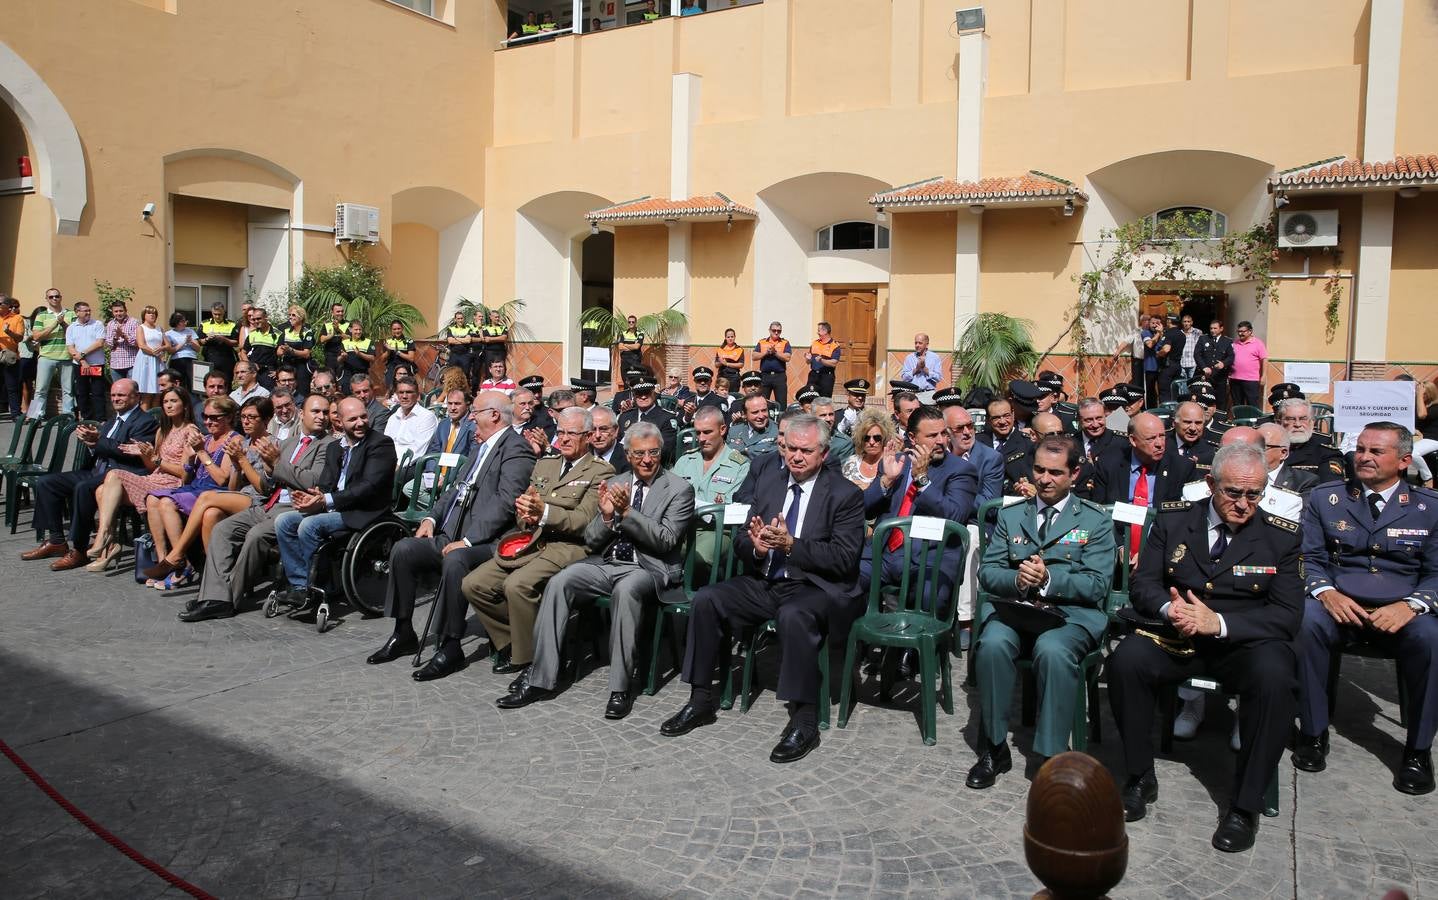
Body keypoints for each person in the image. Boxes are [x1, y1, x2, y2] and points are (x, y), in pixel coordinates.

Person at [1107, 442, 1302, 853]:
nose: (1244, 504)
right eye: (1233, 492)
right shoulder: (1176, 521)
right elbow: (1144, 585)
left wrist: (1219, 623)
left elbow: (1286, 615)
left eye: (1254, 494)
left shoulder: (1281, 538)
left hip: (1243, 645)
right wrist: (1169, 609)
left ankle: (1244, 806)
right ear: (1211, 483)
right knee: (1127, 661)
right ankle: (1140, 775)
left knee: (1276, 678)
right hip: (1177, 636)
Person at [660, 413, 865, 764]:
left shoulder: (844, 495)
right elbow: (742, 538)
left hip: (815, 586)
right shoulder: (771, 481)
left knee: (794, 615)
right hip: (767, 579)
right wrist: (755, 547)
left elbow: (844, 559)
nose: (796, 457)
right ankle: (700, 700)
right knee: (708, 600)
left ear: (824, 454)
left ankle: (805, 719)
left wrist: (791, 545)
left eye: (806, 451)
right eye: (791, 449)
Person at [502, 422, 696, 717]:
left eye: (654, 453)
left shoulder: (679, 488)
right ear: (628, 456)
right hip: (608, 562)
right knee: (561, 581)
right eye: (640, 454)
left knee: (626, 589)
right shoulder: (618, 482)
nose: (647, 460)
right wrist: (606, 517)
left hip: (649, 568)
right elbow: (591, 540)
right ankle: (541, 677)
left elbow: (666, 540)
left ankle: (620, 687)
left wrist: (628, 513)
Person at [416, 408, 613, 681]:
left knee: (516, 585)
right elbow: (523, 507)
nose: (564, 439)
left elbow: (583, 520)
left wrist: (542, 512)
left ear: (589, 436)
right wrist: (525, 513)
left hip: (569, 547)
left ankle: (531, 661)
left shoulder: (601, 471)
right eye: (561, 432)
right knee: (474, 585)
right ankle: (516, 640)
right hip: (530, 541)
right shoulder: (546, 464)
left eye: (572, 434)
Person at [1294, 422, 1438, 796]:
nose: (1365, 457)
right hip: (1340, 606)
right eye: (1360, 449)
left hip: (1403, 611)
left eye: (1376, 451)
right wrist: (1326, 592)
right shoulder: (1327, 498)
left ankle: (1418, 750)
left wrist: (1413, 605)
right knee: (1306, 622)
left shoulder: (1429, 508)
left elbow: (1437, 573)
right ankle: (1313, 732)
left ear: (1404, 460)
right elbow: (1309, 557)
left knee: (1432, 639)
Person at [968, 435, 1116, 788]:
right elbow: (988, 573)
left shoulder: (1095, 521)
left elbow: (1097, 585)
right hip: (1017, 610)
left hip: (1070, 615)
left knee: (1052, 650)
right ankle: (993, 746)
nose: (1044, 479)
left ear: (1074, 474)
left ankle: (1051, 756)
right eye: (1038, 470)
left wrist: (1050, 579)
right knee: (992, 644)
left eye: (1055, 472)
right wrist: (1018, 580)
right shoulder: (1012, 514)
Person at [367, 392, 537, 666]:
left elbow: (506, 503)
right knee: (404, 549)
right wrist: (430, 519)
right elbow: (454, 489)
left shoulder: (516, 448)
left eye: (476, 412)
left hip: (487, 542)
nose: (471, 417)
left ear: (494, 414)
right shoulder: (480, 447)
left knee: (456, 558)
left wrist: (469, 540)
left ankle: (450, 643)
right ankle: (403, 631)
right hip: (453, 534)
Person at [179, 394, 335, 622]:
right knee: (222, 529)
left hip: (296, 508)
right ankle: (214, 596)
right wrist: (267, 466)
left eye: (325, 412)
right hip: (269, 503)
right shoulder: (288, 443)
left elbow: (312, 480)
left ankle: (224, 599)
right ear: (302, 414)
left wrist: (276, 463)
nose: (321, 417)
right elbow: (265, 485)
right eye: (315, 411)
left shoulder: (328, 445)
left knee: (255, 536)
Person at [270, 397, 397, 606]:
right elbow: (326, 483)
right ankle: (299, 584)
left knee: (309, 525)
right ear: (339, 420)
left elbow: (368, 487)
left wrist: (324, 501)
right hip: (334, 506)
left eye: (363, 417)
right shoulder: (335, 447)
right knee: (283, 521)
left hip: (364, 510)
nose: (360, 423)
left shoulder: (380, 444)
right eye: (353, 419)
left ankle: (319, 586)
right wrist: (313, 496)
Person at [20, 379, 158, 571]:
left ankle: (79, 549)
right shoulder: (112, 421)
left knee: (83, 488)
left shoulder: (145, 421)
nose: (116, 399)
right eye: (113, 395)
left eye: (121, 395)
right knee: (47, 482)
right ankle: (56, 540)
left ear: (136, 397)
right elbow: (105, 447)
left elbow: (128, 451)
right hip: (98, 470)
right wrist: (90, 442)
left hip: (121, 475)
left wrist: (98, 440)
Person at [142, 398, 279, 582]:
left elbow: (263, 488)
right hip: (236, 495)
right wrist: (236, 469)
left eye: (252, 417)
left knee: (204, 498)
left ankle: (176, 555)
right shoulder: (243, 444)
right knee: (210, 513)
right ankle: (214, 575)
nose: (246, 422)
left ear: (266, 419)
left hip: (261, 501)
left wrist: (241, 461)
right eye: (244, 417)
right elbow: (232, 487)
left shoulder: (270, 444)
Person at [860, 405, 978, 614]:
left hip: (931, 557)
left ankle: (918, 646)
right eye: (932, 435)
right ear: (913, 438)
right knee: (845, 584)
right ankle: (856, 642)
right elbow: (865, 509)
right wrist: (886, 481)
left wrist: (923, 480)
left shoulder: (961, 470)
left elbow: (956, 515)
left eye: (943, 433)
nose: (941, 441)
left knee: (928, 599)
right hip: (885, 554)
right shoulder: (897, 462)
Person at [84, 385, 199, 571]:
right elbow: (152, 467)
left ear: (185, 405)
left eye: (173, 401)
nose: (168, 405)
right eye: (165, 402)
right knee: (101, 489)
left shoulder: (190, 431)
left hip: (173, 483)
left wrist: (157, 459)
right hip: (155, 477)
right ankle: (108, 545)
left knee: (112, 475)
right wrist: (145, 454)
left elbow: (185, 474)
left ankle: (104, 537)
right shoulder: (163, 430)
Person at [1087, 412, 1197, 565]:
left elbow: (1185, 521)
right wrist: (1118, 546)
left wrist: (1153, 551)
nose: (1159, 443)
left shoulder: (1181, 467)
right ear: (1133, 440)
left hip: (1161, 548)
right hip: (1116, 546)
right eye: (1151, 438)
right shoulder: (1109, 464)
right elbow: (1099, 512)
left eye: (1162, 436)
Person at [1275, 398, 1346, 482]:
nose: (1297, 424)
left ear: (1312, 422)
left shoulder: (1326, 454)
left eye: (1303, 419)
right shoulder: (1266, 448)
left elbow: (1330, 488)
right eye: (1291, 419)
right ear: (1279, 423)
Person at [28, 289, 73, 418]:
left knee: (68, 390)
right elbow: (36, 336)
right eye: (51, 297)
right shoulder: (41, 315)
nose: (54, 299)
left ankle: (67, 416)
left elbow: (74, 333)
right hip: (46, 356)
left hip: (66, 356)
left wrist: (63, 323)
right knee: (40, 389)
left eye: (57, 296)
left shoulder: (70, 314)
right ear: (47, 299)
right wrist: (55, 324)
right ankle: (34, 416)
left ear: (61, 297)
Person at [64, 301, 107, 420]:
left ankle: (100, 419)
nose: (88, 312)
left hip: (96, 364)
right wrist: (83, 361)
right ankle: (86, 417)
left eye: (89, 310)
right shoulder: (72, 328)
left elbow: (99, 343)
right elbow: (70, 347)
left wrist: (82, 354)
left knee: (98, 392)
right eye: (85, 311)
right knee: (82, 392)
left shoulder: (97, 324)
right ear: (77, 312)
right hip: (80, 365)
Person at [382, 377, 438, 464]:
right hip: (389, 462)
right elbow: (386, 445)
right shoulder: (393, 418)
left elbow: (418, 452)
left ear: (417, 395)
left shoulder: (426, 417)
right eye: (401, 392)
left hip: (411, 465)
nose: (404, 396)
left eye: (409, 392)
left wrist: (397, 466)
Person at [1258, 422, 1318, 496]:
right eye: (1252, 445)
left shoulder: (1303, 482)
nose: (1254, 451)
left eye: (1262, 447)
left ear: (1283, 453)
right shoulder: (1240, 477)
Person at [842, 407, 892, 490]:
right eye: (866, 438)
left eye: (877, 438)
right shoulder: (851, 462)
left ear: (884, 438)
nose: (871, 442)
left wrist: (869, 488)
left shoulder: (891, 464)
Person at [275, 305, 316, 396]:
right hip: (287, 366)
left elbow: (306, 354)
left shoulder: (307, 332)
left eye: (294, 315)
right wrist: (283, 350)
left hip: (301, 367)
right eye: (290, 315)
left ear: (301, 317)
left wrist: (291, 350)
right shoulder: (285, 332)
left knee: (302, 393)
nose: (290, 317)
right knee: (285, 393)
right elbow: (278, 352)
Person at [1195, 319, 1235, 409]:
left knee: (1221, 400)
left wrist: (1224, 364)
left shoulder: (1227, 341)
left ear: (1221, 329)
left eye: (1215, 328)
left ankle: (1220, 419)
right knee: (1204, 398)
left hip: (1220, 376)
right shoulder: (1203, 338)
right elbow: (1197, 354)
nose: (1212, 330)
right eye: (1211, 328)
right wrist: (1204, 367)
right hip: (1206, 375)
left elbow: (1231, 356)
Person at [132, 305, 165, 407]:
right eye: (149, 313)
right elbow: (142, 345)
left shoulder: (159, 328)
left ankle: (155, 418)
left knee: (158, 393)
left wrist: (162, 349)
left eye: (154, 313)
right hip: (146, 360)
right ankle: (144, 420)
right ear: (144, 315)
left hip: (158, 362)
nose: (152, 315)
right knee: (147, 394)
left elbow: (167, 344)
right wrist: (157, 354)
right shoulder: (141, 328)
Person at [1229, 321, 1267, 409]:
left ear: (1250, 331)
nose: (1240, 333)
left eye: (1243, 331)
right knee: (1237, 405)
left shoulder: (1258, 343)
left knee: (1252, 404)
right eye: (1238, 331)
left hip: (1251, 380)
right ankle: (1239, 423)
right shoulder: (1234, 344)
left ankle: (1253, 422)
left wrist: (1264, 376)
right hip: (1235, 379)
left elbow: (1264, 359)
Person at [728, 393, 779, 458]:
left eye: (764, 410)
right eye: (755, 412)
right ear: (744, 414)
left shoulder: (777, 432)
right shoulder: (734, 431)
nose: (761, 416)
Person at [754, 321, 792, 408]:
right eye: (774, 330)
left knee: (781, 402)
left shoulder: (785, 342)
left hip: (779, 376)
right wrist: (766, 353)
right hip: (765, 376)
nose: (776, 332)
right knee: (763, 401)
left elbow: (787, 358)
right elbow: (754, 356)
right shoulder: (762, 342)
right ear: (769, 330)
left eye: (779, 331)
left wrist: (775, 353)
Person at [199, 301, 240, 379]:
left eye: (219, 314)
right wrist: (207, 339)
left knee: (226, 383)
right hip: (209, 358)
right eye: (215, 314)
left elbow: (236, 343)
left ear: (224, 312)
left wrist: (223, 339)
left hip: (227, 358)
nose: (217, 316)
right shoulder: (204, 324)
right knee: (210, 381)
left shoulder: (232, 324)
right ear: (211, 312)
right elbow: (199, 342)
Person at [0, 298, 26, 420]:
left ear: (8, 306)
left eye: (0, 303)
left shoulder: (17, 318)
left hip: (9, 356)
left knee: (12, 386)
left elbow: (19, 338)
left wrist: (8, 332)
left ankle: (15, 414)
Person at [1172, 401, 1215, 470]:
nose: (1193, 428)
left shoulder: (1210, 451)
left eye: (1198, 423)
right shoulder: (1163, 446)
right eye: (1187, 422)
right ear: (1174, 423)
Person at [104, 301, 140, 382]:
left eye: (121, 311)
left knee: (131, 389)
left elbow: (136, 343)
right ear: (112, 312)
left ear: (125, 311)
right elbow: (109, 345)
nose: (118, 313)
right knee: (119, 390)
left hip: (131, 363)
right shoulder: (110, 324)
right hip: (115, 364)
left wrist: (123, 335)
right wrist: (116, 337)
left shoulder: (134, 322)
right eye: (116, 311)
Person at [804, 321, 841, 399]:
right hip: (813, 376)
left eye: (819, 330)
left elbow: (834, 363)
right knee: (810, 398)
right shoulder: (815, 343)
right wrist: (808, 359)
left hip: (826, 376)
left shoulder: (834, 345)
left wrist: (822, 360)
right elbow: (808, 361)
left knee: (824, 401)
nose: (817, 332)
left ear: (825, 331)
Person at [164, 312, 201, 390]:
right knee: (179, 384)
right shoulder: (168, 334)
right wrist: (184, 342)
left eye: (185, 321)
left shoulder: (190, 331)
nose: (185, 323)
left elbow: (198, 349)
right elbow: (170, 351)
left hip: (191, 359)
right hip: (177, 359)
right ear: (177, 323)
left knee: (192, 385)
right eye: (183, 321)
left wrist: (191, 341)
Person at [810, 398, 853, 463]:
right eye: (823, 415)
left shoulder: (844, 443)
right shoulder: (803, 437)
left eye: (831, 414)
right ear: (813, 417)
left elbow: (839, 471)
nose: (828, 419)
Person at [589, 405, 628, 474]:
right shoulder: (581, 455)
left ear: (615, 431)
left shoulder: (628, 458)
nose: (597, 435)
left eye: (603, 429)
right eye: (593, 430)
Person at [380, 319, 416, 391]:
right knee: (391, 391)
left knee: (406, 390)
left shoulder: (409, 341)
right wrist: (388, 351)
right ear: (391, 330)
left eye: (398, 328)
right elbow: (382, 359)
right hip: (391, 369)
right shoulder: (388, 341)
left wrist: (397, 351)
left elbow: (411, 358)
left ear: (402, 328)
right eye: (394, 329)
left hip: (405, 369)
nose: (397, 331)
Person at [316, 303, 348, 380]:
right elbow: (321, 339)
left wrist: (338, 330)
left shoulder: (348, 324)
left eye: (342, 311)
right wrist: (330, 336)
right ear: (332, 312)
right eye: (338, 311)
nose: (340, 313)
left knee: (343, 381)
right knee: (331, 379)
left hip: (344, 357)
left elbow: (349, 338)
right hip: (330, 358)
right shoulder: (327, 324)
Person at [339, 320, 375, 388]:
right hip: (348, 374)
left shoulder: (368, 342)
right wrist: (343, 357)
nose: (358, 332)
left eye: (360, 330)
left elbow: (372, 358)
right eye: (356, 330)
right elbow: (338, 360)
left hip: (363, 374)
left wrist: (360, 354)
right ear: (350, 329)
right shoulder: (344, 342)